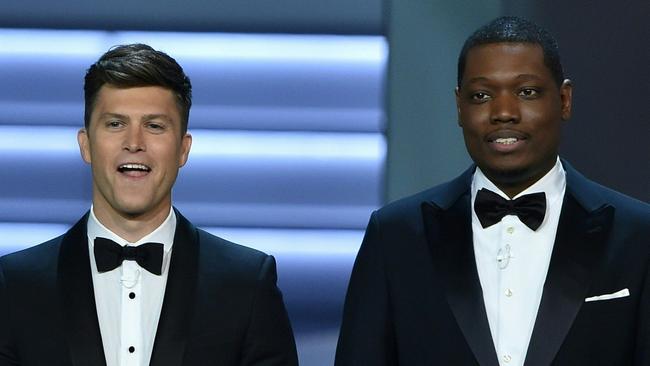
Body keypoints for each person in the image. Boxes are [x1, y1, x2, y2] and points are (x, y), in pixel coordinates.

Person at [335, 16, 649, 366]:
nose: (503, 113)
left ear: (564, 100)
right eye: (481, 95)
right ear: (459, 106)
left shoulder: (637, 236)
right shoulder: (395, 236)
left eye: (526, 92)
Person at [0, 43, 298, 366]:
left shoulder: (247, 286)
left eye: (154, 126)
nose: (134, 143)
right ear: (85, 145)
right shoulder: (15, 288)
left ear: (183, 149)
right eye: (115, 124)